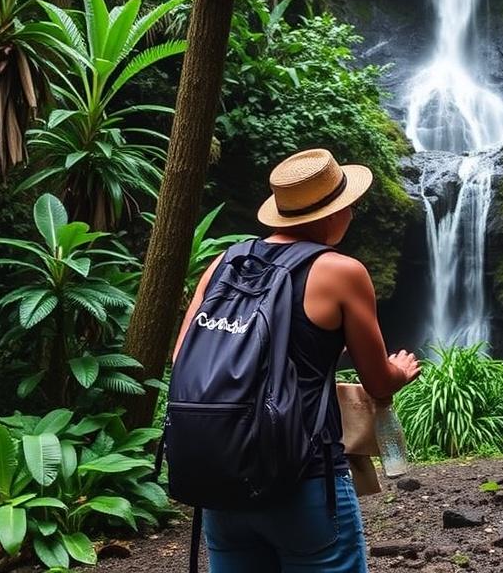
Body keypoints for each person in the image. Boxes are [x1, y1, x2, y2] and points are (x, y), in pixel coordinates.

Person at [172, 148, 421, 573]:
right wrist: (400, 370)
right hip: (304, 481)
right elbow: (378, 382)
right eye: (349, 206)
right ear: (331, 215)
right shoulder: (341, 271)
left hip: (221, 482)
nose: (353, 212)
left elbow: (184, 357)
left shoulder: (226, 263)